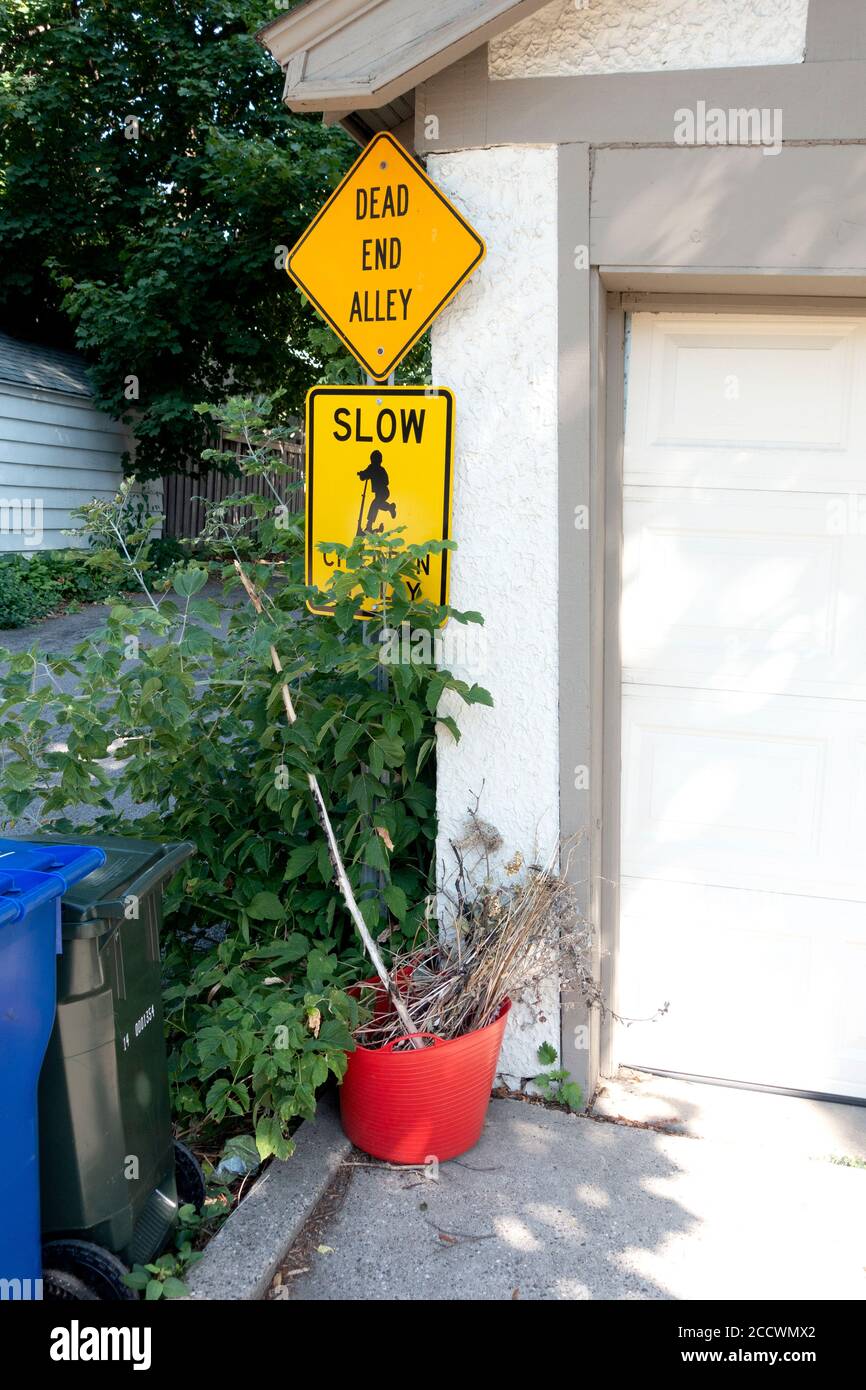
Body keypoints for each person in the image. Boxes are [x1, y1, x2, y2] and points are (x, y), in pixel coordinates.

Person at [356, 449, 397, 533]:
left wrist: (377, 479)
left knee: (374, 505)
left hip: (384, 492)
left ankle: (369, 525)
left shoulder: (379, 469)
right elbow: (364, 475)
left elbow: (386, 481)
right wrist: (362, 474)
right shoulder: (372, 467)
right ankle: (390, 507)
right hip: (379, 493)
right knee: (376, 505)